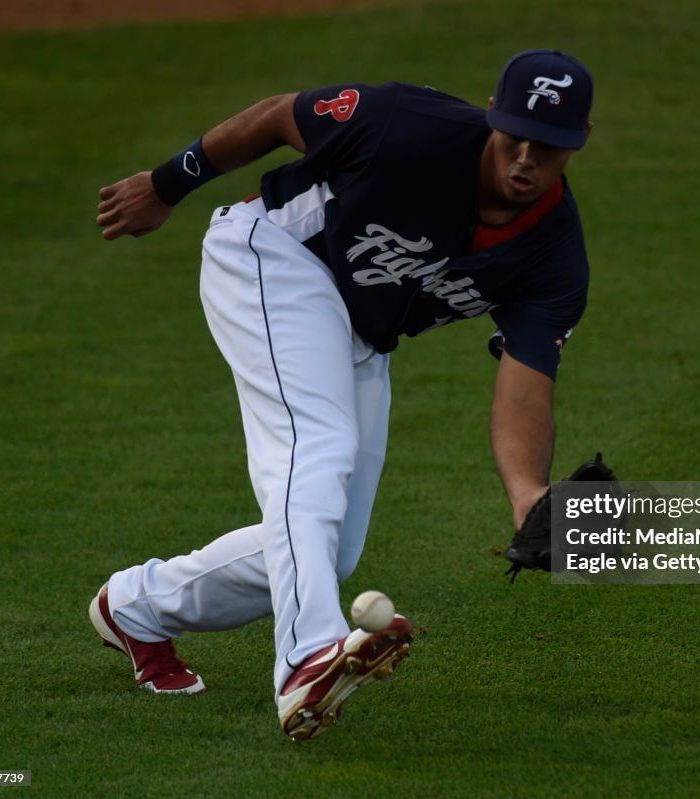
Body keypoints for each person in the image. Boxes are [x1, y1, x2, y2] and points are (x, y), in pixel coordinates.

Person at [89, 49, 594, 740]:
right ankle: (306, 658)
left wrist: (529, 496)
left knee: (331, 548)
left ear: (579, 144)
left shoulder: (555, 255)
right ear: (492, 117)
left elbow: (525, 392)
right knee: (316, 446)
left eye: (550, 148)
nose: (525, 159)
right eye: (515, 137)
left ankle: (138, 605)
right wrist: (166, 184)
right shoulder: (408, 126)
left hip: (357, 328)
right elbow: (278, 115)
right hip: (270, 256)